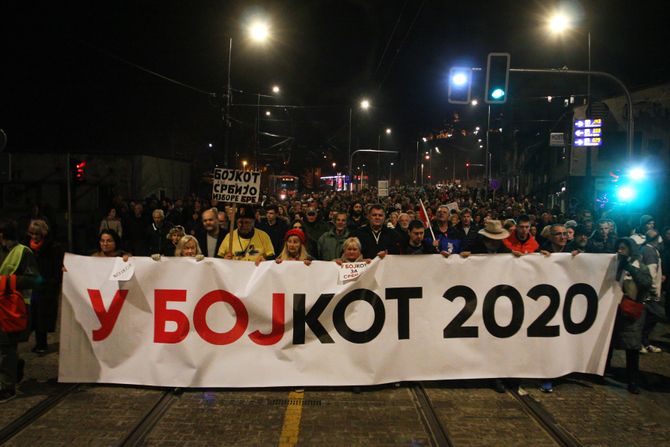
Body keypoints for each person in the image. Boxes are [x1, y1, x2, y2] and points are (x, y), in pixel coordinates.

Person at [0, 218, 40, 403]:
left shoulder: (23, 252)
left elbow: (35, 280)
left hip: (13, 308)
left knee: (7, 347)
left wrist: (8, 282)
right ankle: (14, 366)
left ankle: (7, 387)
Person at [608, 237, 652, 394]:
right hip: (614, 310)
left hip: (631, 312)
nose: (621, 251)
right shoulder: (612, 265)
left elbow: (646, 283)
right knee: (608, 343)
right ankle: (604, 370)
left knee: (632, 347)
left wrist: (629, 267)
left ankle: (632, 380)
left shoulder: (639, 266)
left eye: (624, 248)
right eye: (619, 248)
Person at [24, 220, 63, 354]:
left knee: (43, 315)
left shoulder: (52, 247)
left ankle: (42, 344)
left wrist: (51, 281)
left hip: (46, 286)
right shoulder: (26, 247)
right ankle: (38, 343)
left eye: (37, 234)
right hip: (31, 285)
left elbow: (57, 267)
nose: (34, 236)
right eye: (32, 233)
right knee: (33, 314)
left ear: (43, 233)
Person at [639, 229, 664, 354]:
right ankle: (641, 342)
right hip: (649, 294)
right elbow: (651, 271)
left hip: (648, 292)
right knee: (656, 314)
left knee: (649, 318)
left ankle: (645, 342)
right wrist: (653, 288)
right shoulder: (650, 251)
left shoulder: (648, 249)